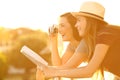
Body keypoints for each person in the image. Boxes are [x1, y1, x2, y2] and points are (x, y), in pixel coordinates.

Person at [40, 1, 120, 79]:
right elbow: (64, 67)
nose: (76, 25)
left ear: (89, 21)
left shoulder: (105, 34)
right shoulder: (97, 38)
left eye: (79, 20)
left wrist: (52, 71)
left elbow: (89, 71)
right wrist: (48, 69)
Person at [36, 12, 89, 80]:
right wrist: (53, 41)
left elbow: (67, 68)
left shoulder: (84, 43)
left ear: (74, 26)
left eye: (62, 26)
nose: (59, 30)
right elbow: (59, 65)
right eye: (59, 26)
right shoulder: (72, 45)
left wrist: (46, 69)